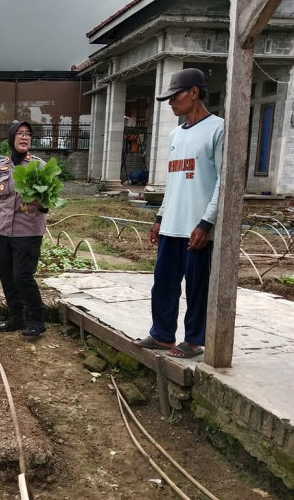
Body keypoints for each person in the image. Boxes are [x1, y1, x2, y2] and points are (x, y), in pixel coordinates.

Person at [135, 67, 223, 359]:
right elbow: (173, 182)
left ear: (194, 92)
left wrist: (206, 222)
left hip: (197, 228)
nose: (171, 103)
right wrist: (160, 218)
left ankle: (195, 339)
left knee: (197, 287)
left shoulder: (218, 129)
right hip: (172, 225)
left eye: (176, 96)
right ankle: (162, 334)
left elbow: (225, 181)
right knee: (163, 284)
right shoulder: (175, 134)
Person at [0, 120, 48, 340]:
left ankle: (37, 319)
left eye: (28, 134)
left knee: (22, 276)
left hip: (29, 232)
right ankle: (17, 317)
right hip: (3, 231)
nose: (25, 137)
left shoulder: (39, 166)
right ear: (11, 138)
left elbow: (48, 202)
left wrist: (38, 201)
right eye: (20, 134)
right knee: (6, 276)